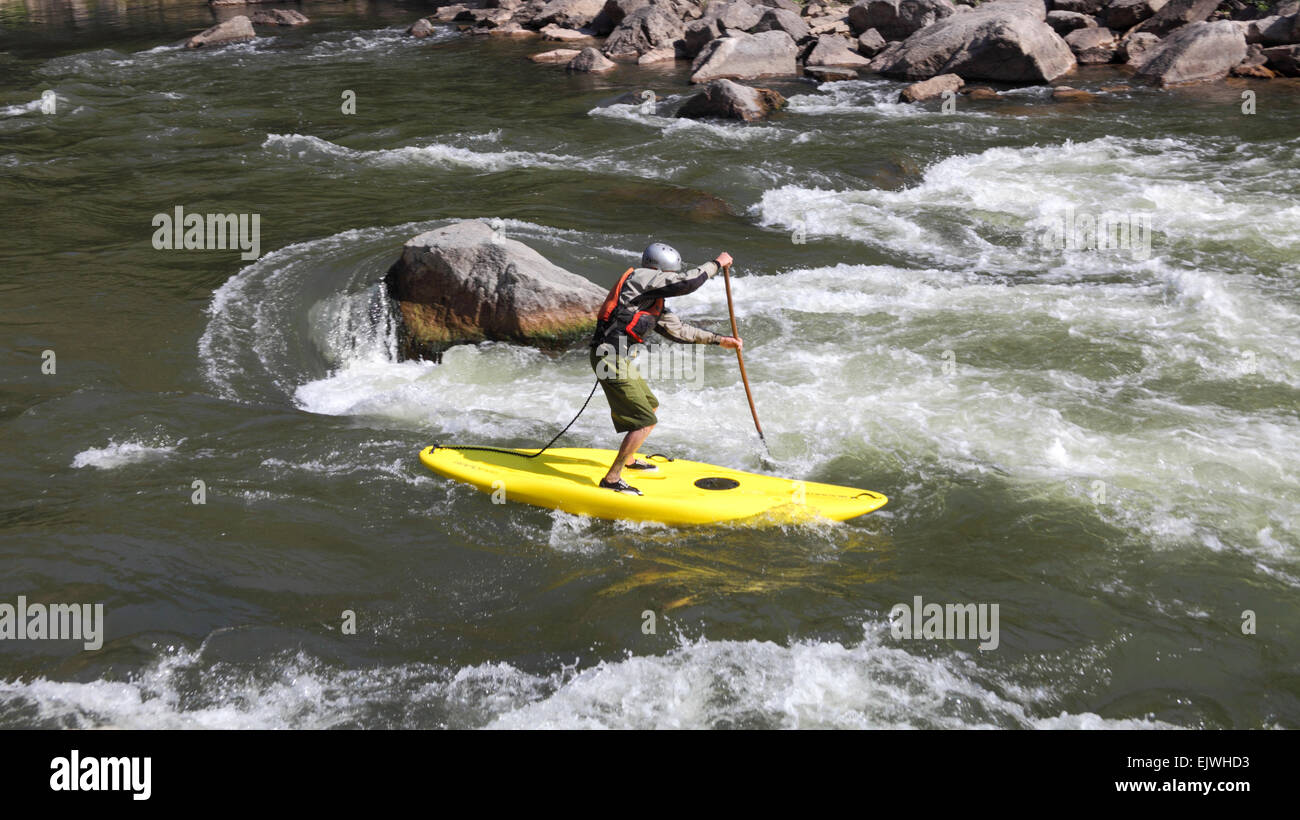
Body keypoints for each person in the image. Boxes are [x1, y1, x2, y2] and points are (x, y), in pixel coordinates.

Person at [589, 242, 742, 495]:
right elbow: (685, 284)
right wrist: (716, 265)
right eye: (669, 275)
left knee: (650, 406)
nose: (669, 280)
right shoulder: (642, 277)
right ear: (659, 269)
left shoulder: (650, 300)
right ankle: (612, 479)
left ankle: (628, 460)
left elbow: (680, 331)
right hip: (609, 357)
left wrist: (720, 340)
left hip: (617, 358)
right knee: (644, 421)